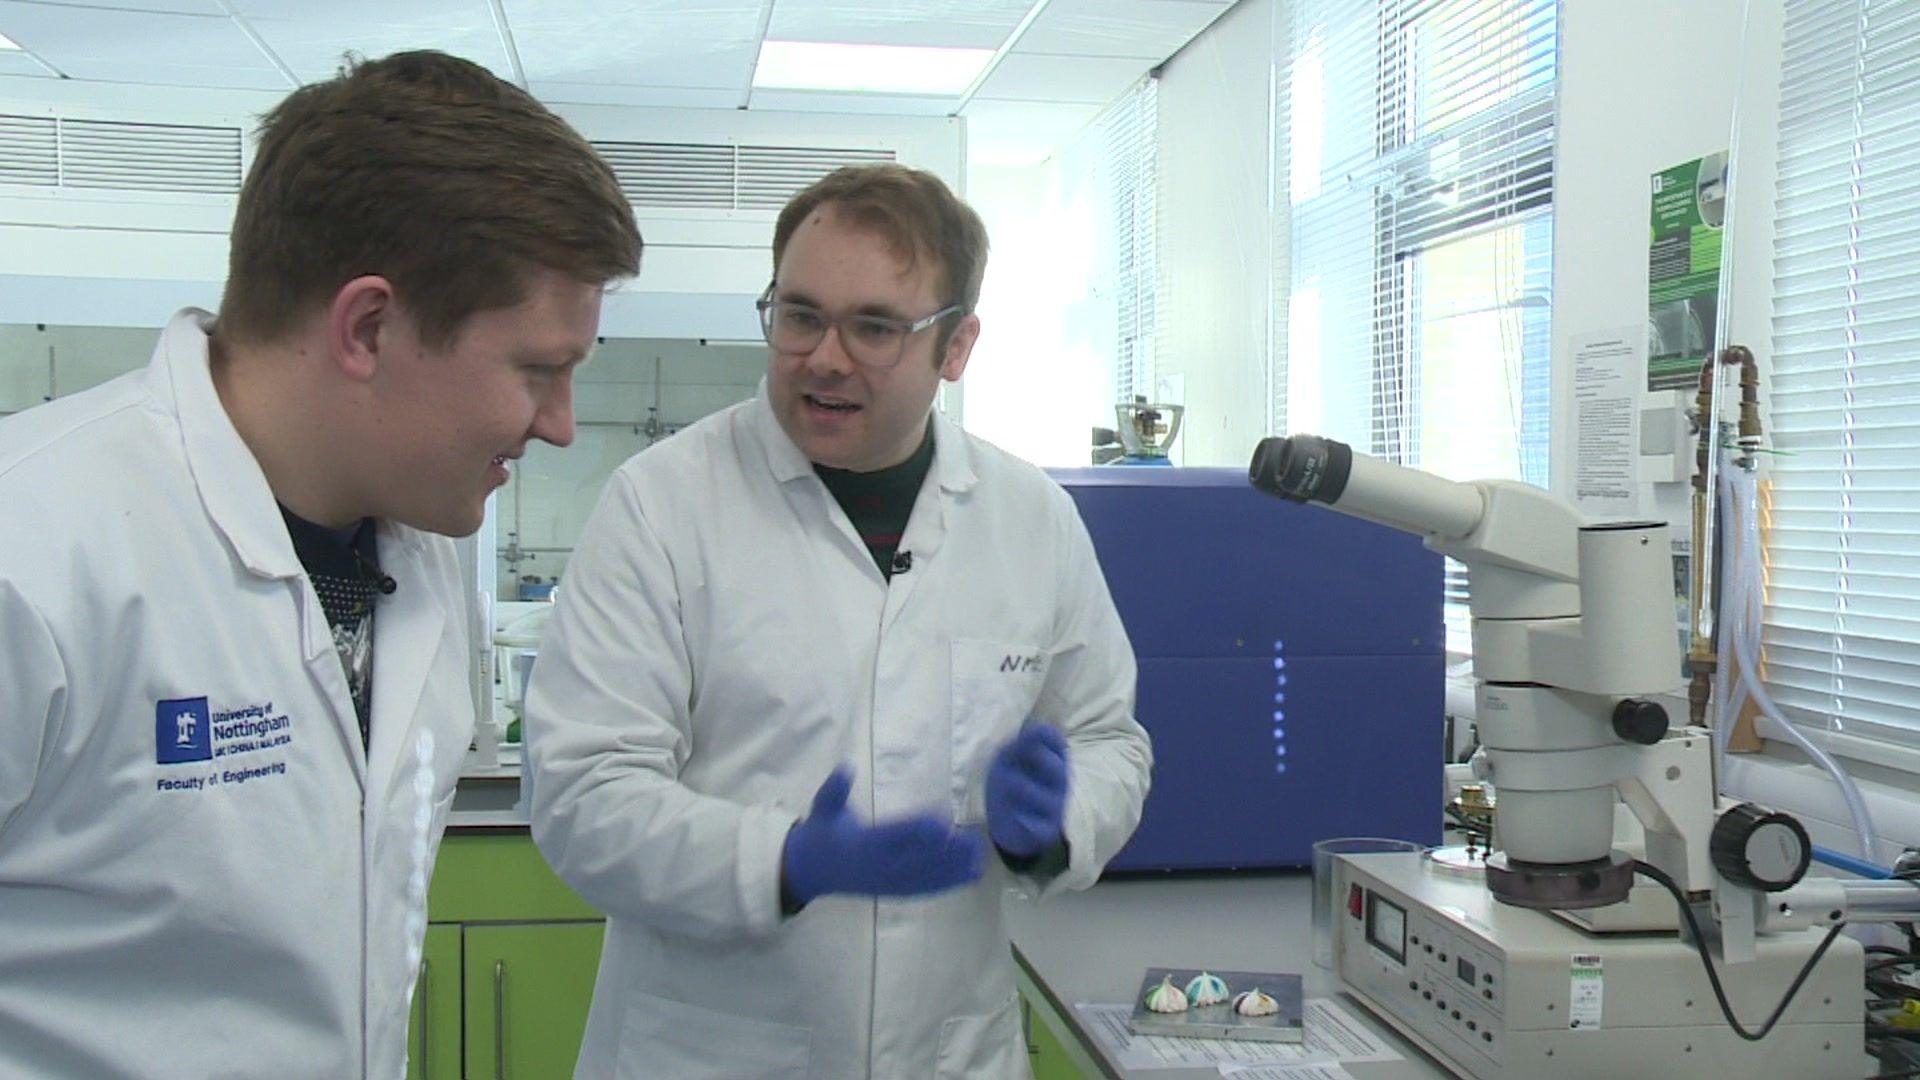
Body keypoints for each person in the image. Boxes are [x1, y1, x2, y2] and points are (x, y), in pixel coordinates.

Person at [0, 50, 640, 1077]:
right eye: (537, 370)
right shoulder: (32, 554)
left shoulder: (416, 553)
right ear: (369, 327)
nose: (561, 426)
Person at [527, 163, 1152, 1077]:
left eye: (875, 328)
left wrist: (1054, 824)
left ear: (957, 346)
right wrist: (781, 861)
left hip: (950, 1049)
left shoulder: (1030, 518)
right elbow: (583, 795)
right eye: (801, 314)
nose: (825, 356)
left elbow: (1109, 739)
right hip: (714, 1049)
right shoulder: (662, 506)